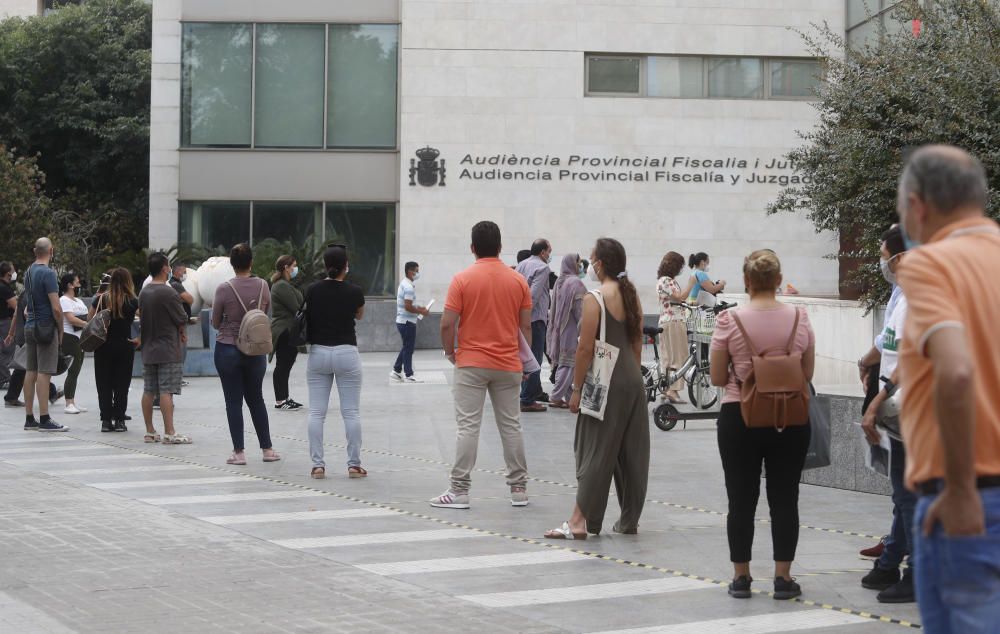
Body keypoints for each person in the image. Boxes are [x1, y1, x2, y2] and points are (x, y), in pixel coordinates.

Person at [894, 145, 1000, 632]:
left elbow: (955, 372)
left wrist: (958, 491)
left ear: (917, 205)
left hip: (970, 499)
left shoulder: (929, 265)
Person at [709, 250, 815, 601]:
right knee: (786, 498)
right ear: (778, 279)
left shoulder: (728, 321)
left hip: (740, 416)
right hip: (790, 418)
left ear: (748, 280)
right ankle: (783, 578)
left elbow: (715, 377)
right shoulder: (800, 319)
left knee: (741, 499)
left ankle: (741, 577)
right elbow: (807, 374)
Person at [544, 238, 649, 539]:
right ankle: (629, 521)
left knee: (593, 449)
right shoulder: (631, 296)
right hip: (631, 378)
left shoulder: (595, 298)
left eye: (591, 259)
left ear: (600, 264)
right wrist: (632, 376)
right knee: (631, 454)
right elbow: (638, 342)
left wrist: (575, 389)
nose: (588, 265)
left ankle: (578, 521)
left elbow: (584, 349)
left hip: (604, 380)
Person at [430, 221, 531, 509]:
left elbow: (447, 323)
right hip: (508, 363)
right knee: (511, 426)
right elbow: (526, 327)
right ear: (500, 247)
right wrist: (523, 362)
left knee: (468, 427)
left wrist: (451, 352)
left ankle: (459, 491)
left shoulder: (462, 279)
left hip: (471, 362)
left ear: (472, 248)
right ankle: (519, 488)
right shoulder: (517, 281)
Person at [857, 225, 916, 604]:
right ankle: (893, 561)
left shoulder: (921, 301)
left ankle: (918, 573)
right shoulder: (905, 297)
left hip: (916, 411)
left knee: (912, 496)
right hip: (900, 412)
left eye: (885, 254)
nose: (884, 262)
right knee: (904, 494)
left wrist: (880, 400)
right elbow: (891, 350)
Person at [213, 243, 280, 465]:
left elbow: (214, 321)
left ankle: (239, 453)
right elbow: (264, 314)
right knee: (256, 399)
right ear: (251, 262)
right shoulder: (263, 285)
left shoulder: (224, 289)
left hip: (228, 347)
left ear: (232, 264)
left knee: (233, 401)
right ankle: (267, 449)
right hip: (256, 349)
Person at [304, 245, 366, 479]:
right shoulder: (354, 291)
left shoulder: (312, 290)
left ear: (325, 265)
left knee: (316, 412)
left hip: (319, 353)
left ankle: (318, 465)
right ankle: (353, 465)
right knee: (350, 412)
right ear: (345, 266)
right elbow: (359, 314)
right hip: (346, 353)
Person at [138, 254, 192, 444]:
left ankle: (150, 431)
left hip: (148, 348)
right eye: (168, 266)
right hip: (168, 348)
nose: (170, 269)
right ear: (164, 268)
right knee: (167, 391)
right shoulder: (169, 293)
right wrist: (183, 330)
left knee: (149, 390)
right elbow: (181, 318)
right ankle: (170, 432)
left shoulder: (144, 292)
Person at [22, 238, 68, 432]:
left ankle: (29, 419)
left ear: (35, 251)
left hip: (30, 326)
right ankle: (44, 418)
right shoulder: (48, 274)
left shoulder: (28, 272)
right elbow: (56, 308)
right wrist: (61, 329)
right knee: (44, 372)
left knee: (30, 370)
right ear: (51, 250)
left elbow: (26, 306)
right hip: (45, 327)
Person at [93, 268, 138, 432]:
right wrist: (139, 339)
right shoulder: (132, 300)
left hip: (102, 346)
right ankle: (120, 420)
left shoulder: (101, 299)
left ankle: (106, 421)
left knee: (103, 383)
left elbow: (90, 320)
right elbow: (145, 320)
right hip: (125, 346)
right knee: (122, 384)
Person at [515, 238, 553, 412]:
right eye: (549, 252)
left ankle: (527, 394)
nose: (549, 255)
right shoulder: (543, 268)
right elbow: (533, 296)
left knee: (524, 356)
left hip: (520, 317)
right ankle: (527, 399)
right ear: (543, 252)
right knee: (534, 358)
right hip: (535, 318)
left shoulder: (522, 264)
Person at [546, 253, 586, 409]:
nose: (580, 265)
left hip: (559, 328)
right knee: (568, 364)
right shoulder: (576, 283)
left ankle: (570, 397)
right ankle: (555, 396)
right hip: (571, 329)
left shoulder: (560, 281)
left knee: (567, 363)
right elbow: (581, 311)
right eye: (578, 262)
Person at [656, 251, 695, 404]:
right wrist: (691, 284)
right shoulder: (668, 280)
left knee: (667, 357)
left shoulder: (662, 280)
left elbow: (675, 300)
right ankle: (673, 390)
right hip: (675, 321)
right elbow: (680, 297)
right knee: (679, 356)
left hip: (665, 321)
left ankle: (667, 389)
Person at [269, 255, 304, 410]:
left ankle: (284, 398)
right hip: (284, 330)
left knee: (285, 365)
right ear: (286, 267)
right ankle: (281, 400)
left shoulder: (285, 284)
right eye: (294, 265)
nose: (296, 268)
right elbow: (297, 307)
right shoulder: (281, 286)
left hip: (289, 330)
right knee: (283, 365)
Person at [391, 261, 429, 383]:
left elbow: (408, 305)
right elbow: (408, 306)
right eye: (416, 271)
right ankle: (408, 374)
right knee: (408, 348)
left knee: (407, 347)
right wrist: (421, 311)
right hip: (407, 322)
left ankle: (396, 370)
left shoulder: (405, 284)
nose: (418, 273)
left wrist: (419, 309)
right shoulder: (408, 287)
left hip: (404, 321)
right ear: (410, 271)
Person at [58, 273, 89, 415]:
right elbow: (70, 319)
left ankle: (72, 401)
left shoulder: (78, 301)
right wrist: (87, 324)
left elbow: (87, 315)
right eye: (76, 282)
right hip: (69, 337)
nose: (79, 284)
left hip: (80, 337)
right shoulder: (64, 300)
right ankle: (68, 402)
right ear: (70, 285)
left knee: (76, 370)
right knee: (73, 369)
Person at [0, 262, 17, 389]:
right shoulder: (5, 288)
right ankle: (5, 379)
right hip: (4, 322)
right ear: (8, 274)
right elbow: (16, 306)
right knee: (6, 351)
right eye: (13, 271)